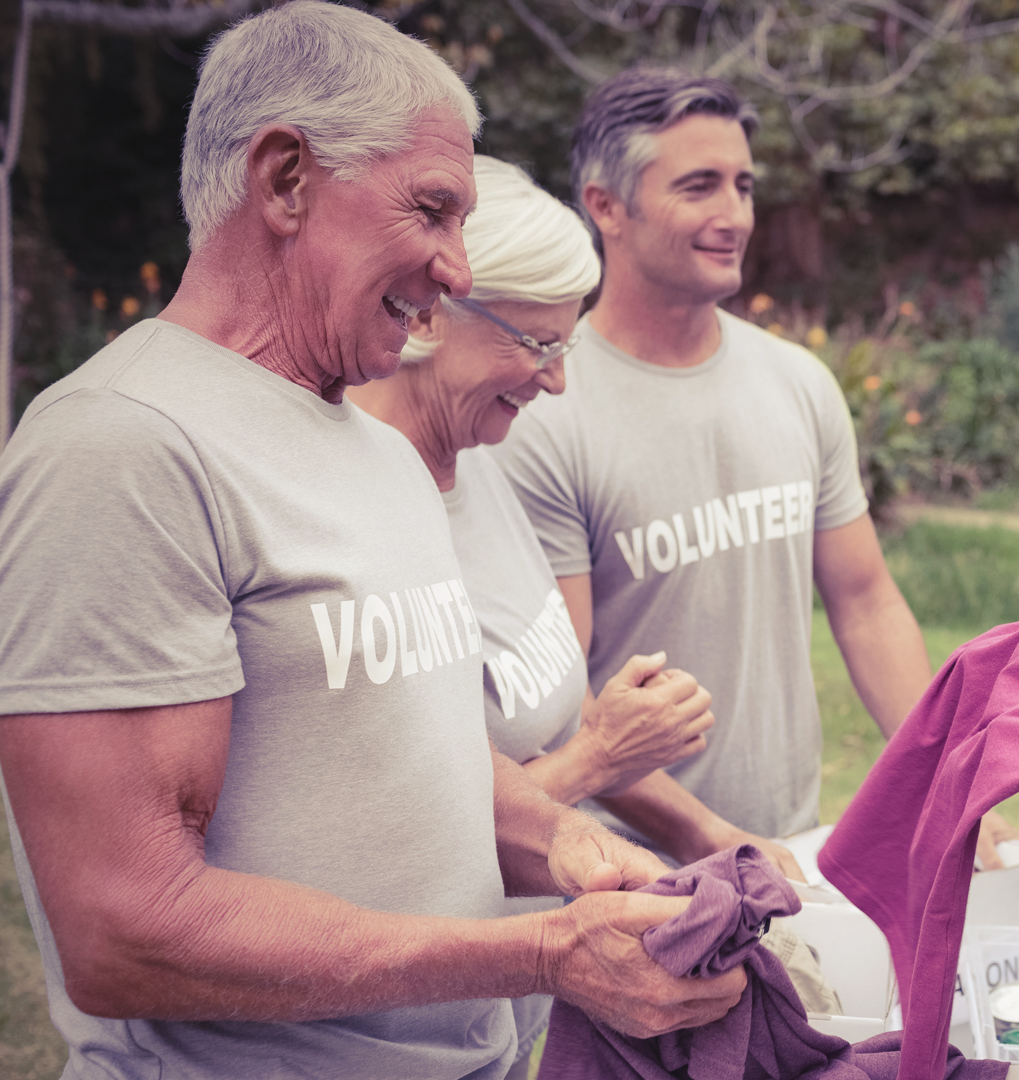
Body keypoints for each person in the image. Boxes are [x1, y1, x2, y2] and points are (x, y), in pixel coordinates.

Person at [0, 6, 743, 1078]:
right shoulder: (123, 448)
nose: (455, 266)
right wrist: (538, 952)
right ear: (286, 178)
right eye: (431, 210)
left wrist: (571, 845)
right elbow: (124, 928)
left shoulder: (383, 450)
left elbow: (421, 755)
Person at [347, 153, 810, 1070]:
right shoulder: (359, 506)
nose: (556, 381)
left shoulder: (484, 469)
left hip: (499, 1021)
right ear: (436, 312)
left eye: (566, 346)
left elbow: (530, 734)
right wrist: (598, 755)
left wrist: (706, 832)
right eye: (536, 344)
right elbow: (392, 837)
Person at [491, 70, 1019, 863]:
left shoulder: (796, 382)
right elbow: (563, 703)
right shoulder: (548, 409)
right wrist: (709, 837)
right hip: (630, 872)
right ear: (606, 207)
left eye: (742, 186)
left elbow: (867, 603)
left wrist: (959, 780)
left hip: (789, 844)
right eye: (699, 186)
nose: (734, 215)